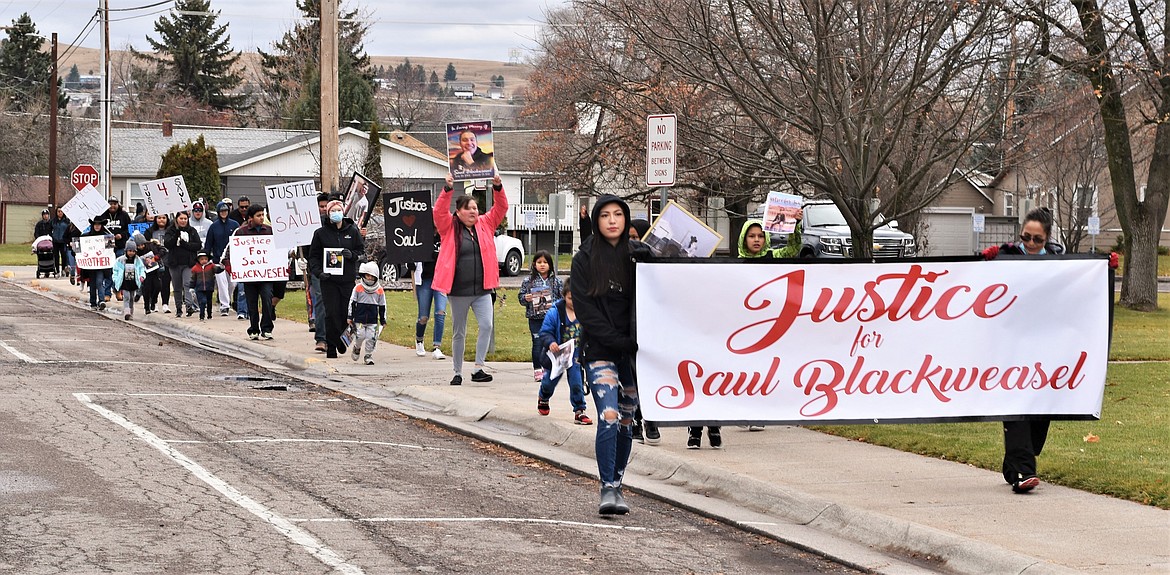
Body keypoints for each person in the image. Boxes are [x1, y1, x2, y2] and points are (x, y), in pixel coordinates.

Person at [980, 206, 1068, 494]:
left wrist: (1105, 269)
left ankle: (1014, 464)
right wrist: (984, 265)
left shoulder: (1061, 262)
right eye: (1025, 238)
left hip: (1046, 351)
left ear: (1047, 239)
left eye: (1037, 240)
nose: (1030, 244)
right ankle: (1022, 472)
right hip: (1011, 349)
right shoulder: (1005, 257)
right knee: (1016, 405)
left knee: (1040, 416)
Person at [572, 195, 641, 515]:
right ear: (596, 220)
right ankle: (607, 488)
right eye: (605, 215)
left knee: (627, 421)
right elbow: (586, 311)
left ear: (626, 219)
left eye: (618, 215)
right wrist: (616, 340)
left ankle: (618, 483)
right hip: (599, 350)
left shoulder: (637, 257)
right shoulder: (584, 257)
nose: (612, 220)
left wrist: (654, 260)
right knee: (609, 415)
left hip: (635, 354)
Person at [433, 173, 507, 385]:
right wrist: (447, 189)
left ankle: (478, 368)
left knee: (486, 325)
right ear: (459, 211)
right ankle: (457, 372)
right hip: (458, 291)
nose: (474, 211)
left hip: (482, 290)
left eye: (475, 208)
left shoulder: (486, 224)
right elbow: (438, 213)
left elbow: (501, 208)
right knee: (459, 332)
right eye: (469, 208)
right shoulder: (449, 227)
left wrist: (498, 187)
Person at [308, 199, 365, 358]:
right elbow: (314, 257)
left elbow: (361, 251)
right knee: (331, 313)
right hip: (329, 281)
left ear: (343, 212)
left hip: (347, 280)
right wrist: (319, 273)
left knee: (345, 313)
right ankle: (331, 345)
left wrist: (352, 255)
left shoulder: (352, 231)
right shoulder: (320, 233)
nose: (336, 213)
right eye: (332, 211)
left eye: (338, 210)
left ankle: (343, 340)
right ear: (328, 213)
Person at [536, 278, 592, 425]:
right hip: (558, 353)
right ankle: (544, 396)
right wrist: (551, 342)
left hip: (575, 354)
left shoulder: (586, 312)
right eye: (570, 298)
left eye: (578, 298)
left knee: (576, 382)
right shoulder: (555, 312)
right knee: (549, 381)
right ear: (564, 296)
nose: (574, 302)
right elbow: (544, 332)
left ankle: (579, 409)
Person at [625, 218, 660, 446]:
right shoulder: (621, 261)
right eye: (629, 238)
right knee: (632, 375)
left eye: (636, 237)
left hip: (652, 325)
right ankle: (636, 419)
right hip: (629, 324)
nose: (632, 242)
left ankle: (652, 419)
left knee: (650, 374)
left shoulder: (655, 261)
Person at [228, 205, 277, 340]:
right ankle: (253, 328)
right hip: (249, 276)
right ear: (250, 218)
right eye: (258, 215)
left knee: (267, 299)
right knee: (252, 303)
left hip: (266, 275)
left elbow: (279, 250)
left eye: (262, 215)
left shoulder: (270, 231)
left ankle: (267, 328)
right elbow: (231, 252)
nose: (261, 218)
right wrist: (233, 269)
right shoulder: (241, 232)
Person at [518, 250, 563, 381]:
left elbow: (562, 298)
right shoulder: (528, 281)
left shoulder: (556, 282)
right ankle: (538, 369)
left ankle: (551, 368)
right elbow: (521, 298)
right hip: (535, 318)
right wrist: (526, 298)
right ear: (534, 264)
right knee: (537, 343)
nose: (542, 265)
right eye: (539, 262)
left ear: (550, 265)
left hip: (551, 319)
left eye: (545, 262)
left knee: (552, 343)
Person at [409, 232, 447, 360]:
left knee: (440, 312)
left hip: (440, 279)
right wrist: (411, 262)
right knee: (423, 316)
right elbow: (411, 250)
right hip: (424, 280)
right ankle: (419, 340)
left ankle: (437, 347)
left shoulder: (444, 236)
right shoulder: (421, 236)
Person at [348, 261, 386, 365]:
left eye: (371, 277)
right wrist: (350, 316)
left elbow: (382, 306)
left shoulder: (379, 290)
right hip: (359, 318)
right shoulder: (358, 288)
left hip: (372, 319)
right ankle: (357, 348)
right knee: (360, 335)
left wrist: (383, 319)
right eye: (367, 276)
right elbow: (352, 302)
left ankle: (368, 355)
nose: (369, 278)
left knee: (371, 337)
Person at [164, 211, 202, 318]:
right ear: (177, 219)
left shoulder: (192, 231)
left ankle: (189, 305)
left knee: (187, 284)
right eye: (181, 219)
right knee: (177, 286)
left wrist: (186, 245)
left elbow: (198, 245)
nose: (183, 221)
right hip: (175, 263)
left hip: (188, 263)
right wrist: (176, 235)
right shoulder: (171, 230)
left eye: (185, 219)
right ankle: (178, 307)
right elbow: (167, 244)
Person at [204, 201, 239, 316]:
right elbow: (208, 244)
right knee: (222, 283)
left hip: (233, 260)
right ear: (218, 212)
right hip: (218, 260)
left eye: (225, 211)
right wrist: (206, 258)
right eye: (221, 211)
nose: (224, 213)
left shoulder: (234, 225)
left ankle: (227, 299)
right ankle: (224, 305)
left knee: (232, 284)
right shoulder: (213, 226)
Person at [308, 192, 330, 352]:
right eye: (321, 206)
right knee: (321, 299)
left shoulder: (344, 224)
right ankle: (321, 339)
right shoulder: (311, 225)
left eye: (326, 206)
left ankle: (336, 337)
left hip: (339, 269)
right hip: (318, 269)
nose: (323, 209)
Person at [82, 218, 113, 310]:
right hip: (90, 265)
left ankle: (101, 300)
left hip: (101, 265)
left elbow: (110, 250)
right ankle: (93, 303)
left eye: (99, 224)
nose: (97, 226)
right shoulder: (86, 237)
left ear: (102, 225)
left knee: (99, 281)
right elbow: (80, 249)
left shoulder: (106, 237)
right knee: (92, 284)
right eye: (95, 224)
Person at [112, 239, 146, 321]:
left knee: (131, 297)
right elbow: (115, 270)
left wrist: (142, 276)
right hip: (124, 281)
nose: (131, 253)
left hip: (133, 282)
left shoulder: (137, 260)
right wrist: (115, 279)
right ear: (126, 251)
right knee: (126, 297)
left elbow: (142, 269)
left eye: (133, 251)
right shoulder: (120, 260)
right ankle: (126, 312)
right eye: (129, 251)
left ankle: (131, 312)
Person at [189, 252, 222, 321]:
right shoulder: (195, 268)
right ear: (198, 260)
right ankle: (201, 315)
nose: (204, 261)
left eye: (205, 259)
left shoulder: (211, 266)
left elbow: (217, 270)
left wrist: (221, 267)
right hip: (199, 288)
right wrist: (191, 287)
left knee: (209, 301)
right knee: (202, 301)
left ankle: (209, 314)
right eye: (202, 259)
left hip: (209, 287)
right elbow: (193, 279)